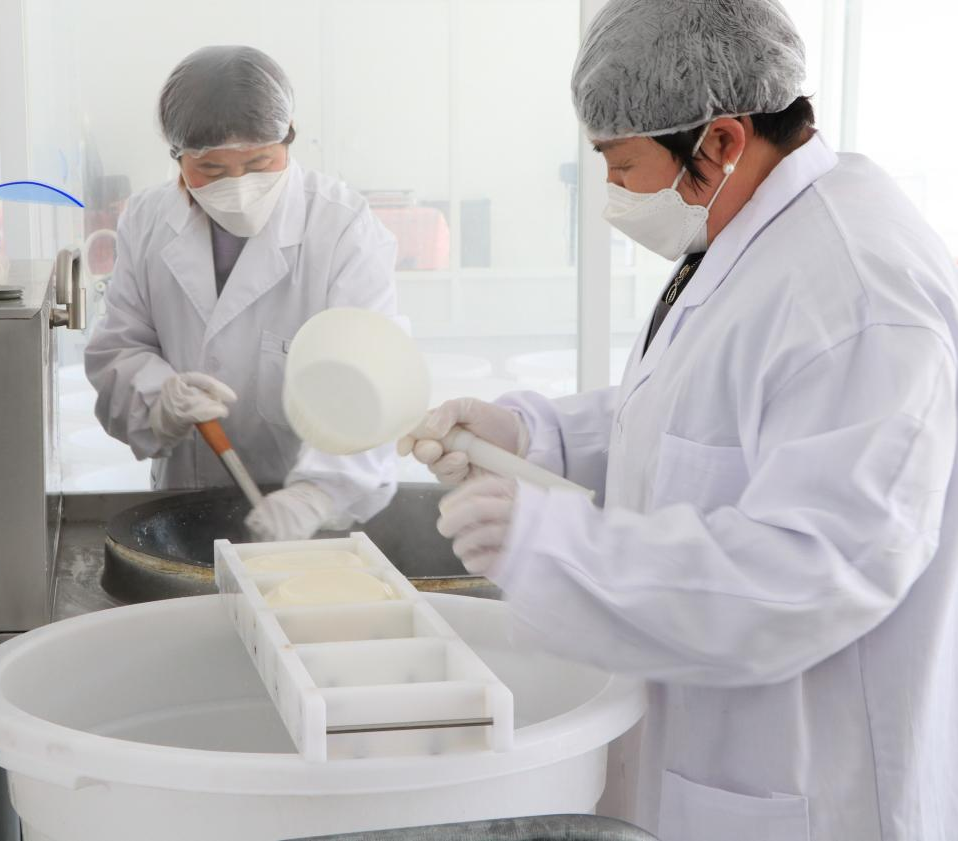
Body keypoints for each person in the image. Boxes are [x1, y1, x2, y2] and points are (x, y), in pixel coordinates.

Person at [399, 2, 958, 839]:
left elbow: (816, 573)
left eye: (622, 165)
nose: (614, 195)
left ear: (721, 140)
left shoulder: (855, 292)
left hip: (807, 784)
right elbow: (700, 414)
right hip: (714, 742)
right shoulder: (758, 228)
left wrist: (561, 548)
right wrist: (532, 440)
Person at [86, 46, 398, 541]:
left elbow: (371, 374)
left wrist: (318, 494)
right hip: (184, 501)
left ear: (288, 135)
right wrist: (159, 400)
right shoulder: (146, 221)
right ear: (177, 156)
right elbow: (120, 347)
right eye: (211, 169)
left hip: (313, 520)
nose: (239, 184)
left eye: (259, 161)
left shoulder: (342, 227)